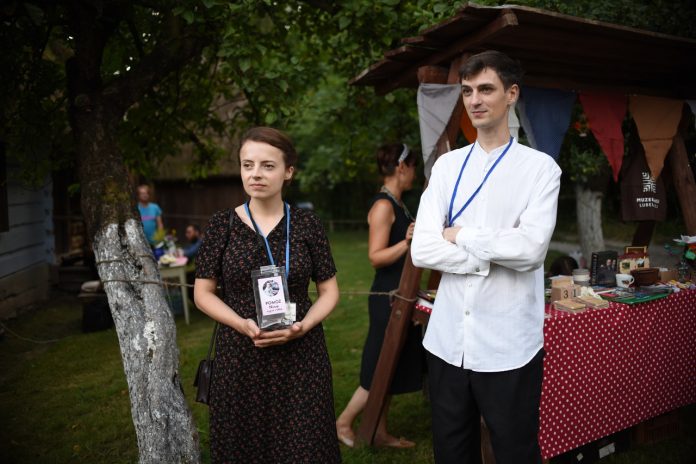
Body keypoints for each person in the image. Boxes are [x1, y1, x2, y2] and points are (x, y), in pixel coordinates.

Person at [411, 50, 562, 464]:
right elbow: (422, 248)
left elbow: (530, 250)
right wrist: (486, 257)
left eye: (486, 89)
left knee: (515, 453)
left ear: (511, 94)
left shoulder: (540, 169)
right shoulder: (446, 167)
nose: (475, 100)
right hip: (447, 343)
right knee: (451, 453)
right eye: (467, 91)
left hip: (508, 345)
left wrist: (461, 235)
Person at [193, 127, 341, 463]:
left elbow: (329, 291)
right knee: (245, 448)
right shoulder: (221, 225)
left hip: (302, 357)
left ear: (289, 172)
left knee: (305, 449)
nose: (255, 174)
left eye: (267, 165)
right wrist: (241, 324)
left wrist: (302, 326)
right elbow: (203, 293)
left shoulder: (307, 225)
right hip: (240, 356)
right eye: (248, 165)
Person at [336, 143, 424, 449]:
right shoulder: (384, 206)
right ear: (401, 167)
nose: (414, 173)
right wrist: (407, 242)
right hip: (386, 295)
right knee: (378, 367)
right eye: (413, 167)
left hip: (400, 294)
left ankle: (380, 432)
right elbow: (375, 256)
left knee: (391, 365)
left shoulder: (398, 203)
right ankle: (343, 422)